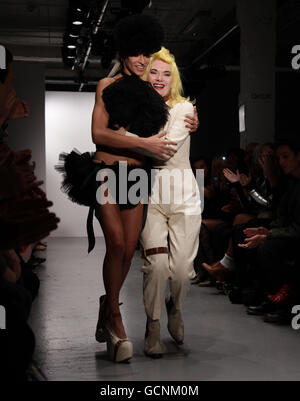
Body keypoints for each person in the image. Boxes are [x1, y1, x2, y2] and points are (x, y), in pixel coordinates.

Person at [57, 15, 198, 363]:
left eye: (145, 54)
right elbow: (99, 135)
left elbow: (175, 110)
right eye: (134, 53)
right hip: (107, 172)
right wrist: (148, 146)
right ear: (122, 53)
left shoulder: (151, 92)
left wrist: (194, 117)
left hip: (136, 177)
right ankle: (115, 315)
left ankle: (107, 304)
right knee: (117, 243)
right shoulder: (106, 85)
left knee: (128, 247)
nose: (140, 60)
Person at [138, 47, 202, 358]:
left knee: (180, 272)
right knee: (157, 265)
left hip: (184, 195)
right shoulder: (134, 108)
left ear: (173, 79)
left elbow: (163, 149)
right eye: (153, 71)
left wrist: (128, 138)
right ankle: (152, 326)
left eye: (166, 73)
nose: (160, 78)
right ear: (144, 74)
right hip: (148, 194)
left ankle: (174, 308)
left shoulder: (185, 109)